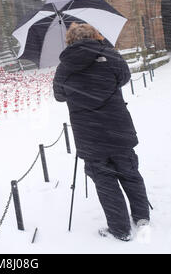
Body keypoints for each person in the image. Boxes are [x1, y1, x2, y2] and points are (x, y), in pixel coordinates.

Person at [53, 23, 150, 241]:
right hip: (118, 128)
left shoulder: (65, 66)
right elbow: (124, 78)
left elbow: (59, 95)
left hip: (89, 135)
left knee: (105, 183)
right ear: (95, 35)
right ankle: (142, 217)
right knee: (130, 174)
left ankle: (120, 229)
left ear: (69, 41)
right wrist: (103, 46)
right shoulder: (110, 55)